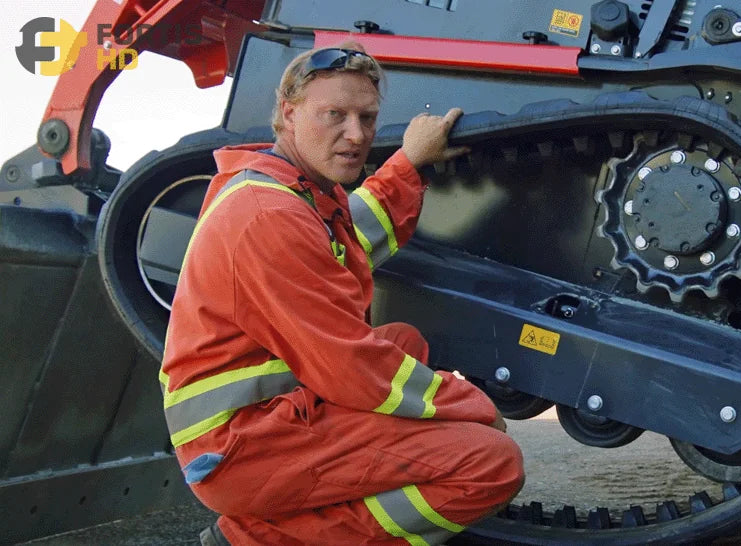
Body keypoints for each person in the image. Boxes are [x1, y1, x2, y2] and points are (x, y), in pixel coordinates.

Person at [161, 42, 525, 545]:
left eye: (367, 117)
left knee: (402, 341)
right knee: (491, 463)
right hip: (239, 445)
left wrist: (409, 162)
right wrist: (471, 405)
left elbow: (353, 234)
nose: (356, 135)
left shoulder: (296, 191)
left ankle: (283, 517)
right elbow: (348, 364)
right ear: (289, 113)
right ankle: (258, 540)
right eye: (335, 115)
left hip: (272, 414)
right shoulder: (267, 216)